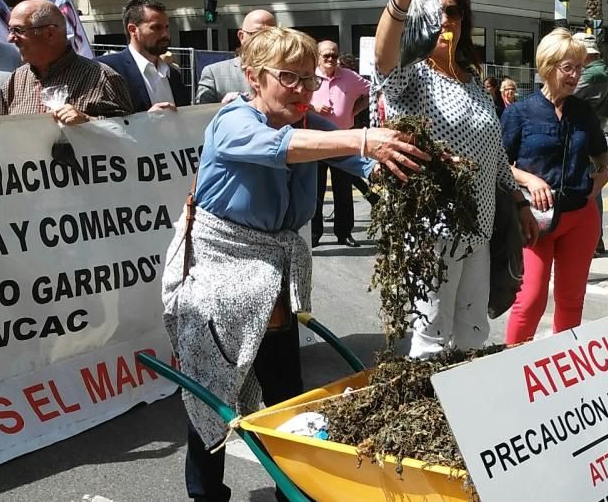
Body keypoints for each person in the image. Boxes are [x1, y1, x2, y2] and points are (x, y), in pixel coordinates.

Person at [162, 26, 428, 501]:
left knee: (287, 389)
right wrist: (362, 139)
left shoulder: (311, 123)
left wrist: (410, 166)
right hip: (220, 272)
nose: (305, 90)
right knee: (214, 391)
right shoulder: (233, 120)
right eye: (290, 77)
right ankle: (205, 495)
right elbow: (275, 148)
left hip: (273, 273)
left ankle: (295, 489)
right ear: (254, 77)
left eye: (309, 79)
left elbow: (363, 161)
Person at [374, 0, 537, 358]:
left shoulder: (474, 81)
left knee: (472, 329)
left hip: (477, 227)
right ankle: (431, 410)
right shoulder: (412, 74)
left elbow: (495, 154)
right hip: (432, 226)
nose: (446, 19)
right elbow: (384, 61)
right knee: (430, 333)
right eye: (436, 11)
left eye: (454, 11)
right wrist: (400, 0)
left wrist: (519, 202)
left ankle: (469, 409)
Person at [502, 28, 608, 345]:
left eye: (580, 68)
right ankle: (512, 369)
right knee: (531, 299)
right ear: (548, 67)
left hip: (581, 217)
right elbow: (499, 163)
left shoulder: (583, 112)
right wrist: (529, 179)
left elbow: (600, 154)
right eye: (569, 67)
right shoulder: (520, 112)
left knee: (571, 299)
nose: (576, 75)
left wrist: (601, 175)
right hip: (536, 219)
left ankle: (564, 370)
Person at [0, 0, 133, 122]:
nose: (10, 38)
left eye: (18, 30)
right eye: (10, 30)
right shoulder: (15, 80)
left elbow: (128, 135)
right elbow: (2, 136)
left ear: (49, 33)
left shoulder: (103, 78)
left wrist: (88, 121)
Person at [310, 39, 373, 247]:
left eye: (334, 55)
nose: (330, 59)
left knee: (343, 190)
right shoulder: (309, 76)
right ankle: (314, 234)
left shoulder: (349, 77)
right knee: (315, 191)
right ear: (318, 57)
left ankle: (344, 233)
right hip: (315, 141)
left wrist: (355, 111)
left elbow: (372, 91)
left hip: (342, 139)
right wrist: (314, 108)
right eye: (326, 55)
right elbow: (297, 100)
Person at [97, 0, 191, 113]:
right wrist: (145, 121)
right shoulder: (108, 71)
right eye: (156, 28)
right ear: (133, 30)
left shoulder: (173, 75)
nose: (165, 34)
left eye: (167, 27)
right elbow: (103, 122)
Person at [573, 32, 608, 256]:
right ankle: (595, 239)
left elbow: (568, 96)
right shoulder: (601, 71)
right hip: (592, 134)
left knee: (590, 190)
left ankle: (593, 239)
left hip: (586, 137)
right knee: (592, 189)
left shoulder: (594, 73)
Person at [195, 9, 276, 104]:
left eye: (271, 35)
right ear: (241, 36)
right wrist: (224, 107)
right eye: (257, 34)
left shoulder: (288, 72)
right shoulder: (214, 73)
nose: (264, 41)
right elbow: (201, 115)